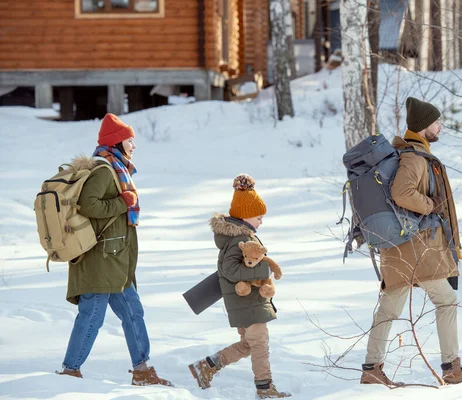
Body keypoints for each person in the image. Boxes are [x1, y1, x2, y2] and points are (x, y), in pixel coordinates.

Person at [360, 98, 462, 386]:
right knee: (447, 300)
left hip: (400, 248)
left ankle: (371, 368)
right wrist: (430, 205)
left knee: (389, 308)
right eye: (436, 121)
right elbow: (401, 192)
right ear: (424, 126)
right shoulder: (414, 158)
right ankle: (451, 368)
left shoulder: (407, 153)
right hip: (417, 248)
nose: (440, 125)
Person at [57, 113, 171, 386]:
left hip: (115, 260)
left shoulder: (116, 169)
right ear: (117, 142)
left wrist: (122, 201)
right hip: (101, 260)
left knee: (133, 311)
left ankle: (142, 370)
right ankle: (70, 371)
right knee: (92, 316)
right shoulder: (104, 170)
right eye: (130, 140)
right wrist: (123, 202)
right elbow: (88, 205)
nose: (134, 145)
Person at [188, 174, 290, 399]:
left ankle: (207, 366)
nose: (261, 221)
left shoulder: (243, 236)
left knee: (248, 345)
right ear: (246, 216)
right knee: (260, 343)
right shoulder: (237, 240)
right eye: (259, 217)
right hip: (246, 302)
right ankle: (265, 388)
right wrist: (262, 272)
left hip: (247, 302)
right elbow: (229, 270)